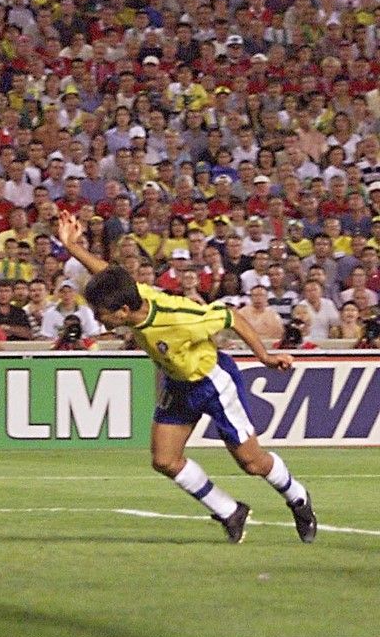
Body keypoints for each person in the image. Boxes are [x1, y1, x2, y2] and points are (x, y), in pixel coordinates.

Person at [58, 211, 316, 544]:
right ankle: (229, 511)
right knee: (164, 459)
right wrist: (71, 245)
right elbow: (108, 274)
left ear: (122, 311)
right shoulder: (133, 296)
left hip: (212, 382)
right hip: (179, 384)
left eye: (101, 313)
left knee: (251, 462)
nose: (98, 318)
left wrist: (264, 357)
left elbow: (230, 316)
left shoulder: (178, 319)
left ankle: (298, 498)